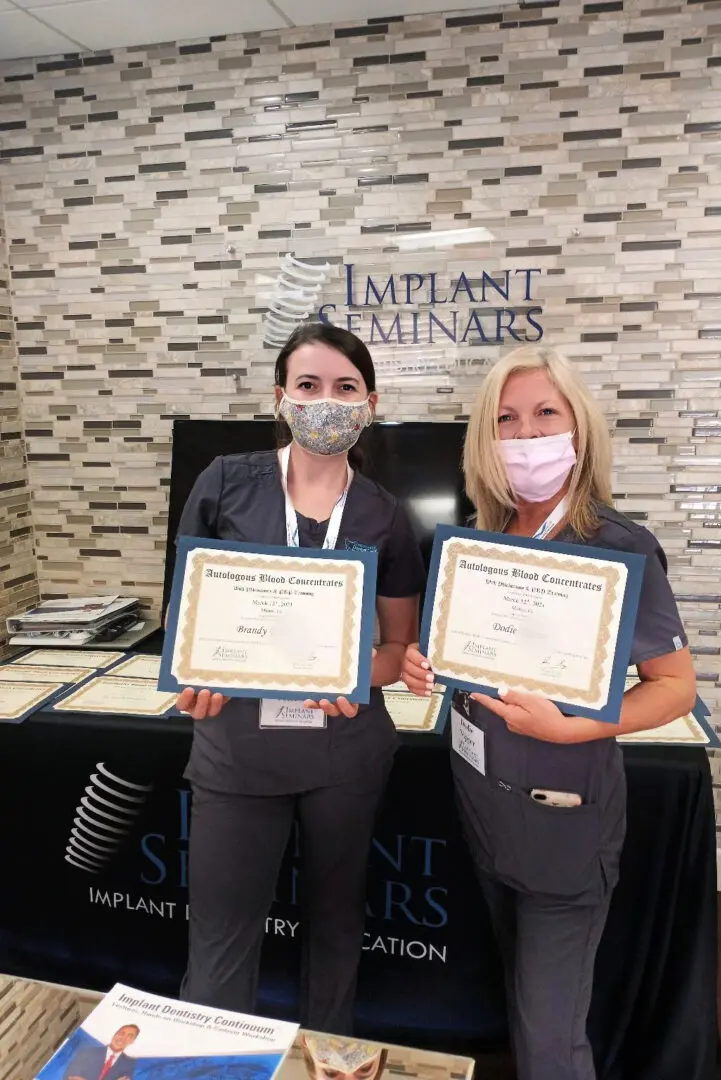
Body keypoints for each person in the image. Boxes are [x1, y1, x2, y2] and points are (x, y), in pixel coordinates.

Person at [401, 345, 696, 1080]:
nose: (526, 436)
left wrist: (574, 726)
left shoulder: (619, 547)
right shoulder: (477, 541)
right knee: (522, 998)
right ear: (485, 441)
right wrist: (420, 664)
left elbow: (675, 687)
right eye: (506, 420)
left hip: (564, 820)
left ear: (578, 429)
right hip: (482, 804)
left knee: (547, 1042)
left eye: (545, 415)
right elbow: (456, 661)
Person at [173, 323, 425, 1034]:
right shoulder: (224, 482)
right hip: (236, 752)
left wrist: (350, 675)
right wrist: (195, 676)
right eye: (308, 386)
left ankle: (329, 1061)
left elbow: (395, 649)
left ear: (369, 403)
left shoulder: (384, 514)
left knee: (338, 933)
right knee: (220, 944)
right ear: (281, 397)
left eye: (345, 388)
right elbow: (190, 623)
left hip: (344, 754)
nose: (326, 402)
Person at [63, 1024, 139, 1080]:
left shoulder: (130, 1063)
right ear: (115, 1034)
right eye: (121, 1033)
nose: (123, 1038)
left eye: (130, 1036)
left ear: (132, 1041)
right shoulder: (88, 1052)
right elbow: (70, 1076)